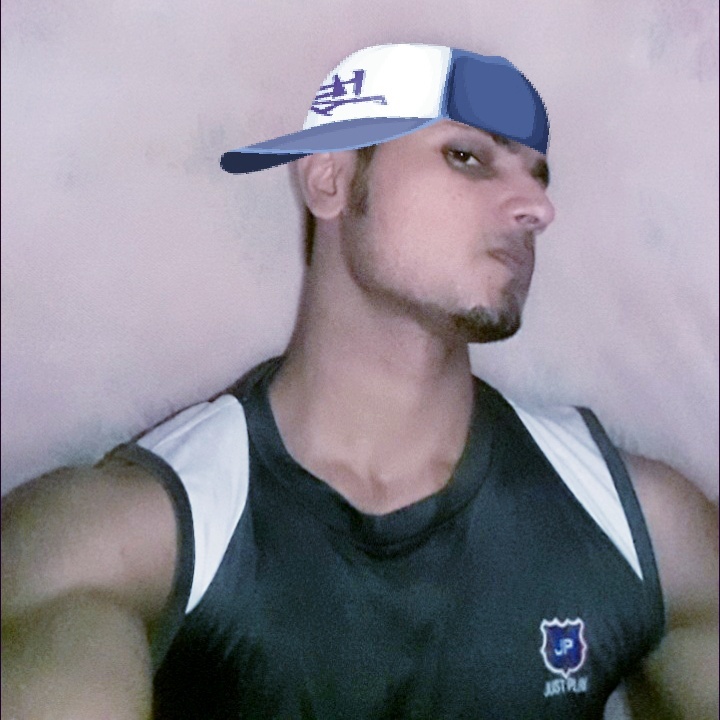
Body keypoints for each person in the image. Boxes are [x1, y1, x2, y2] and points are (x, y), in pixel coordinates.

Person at [2, 43, 717, 720]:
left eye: (538, 175)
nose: (537, 207)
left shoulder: (649, 527)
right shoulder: (126, 534)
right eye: (468, 157)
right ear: (331, 179)